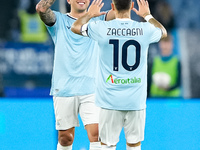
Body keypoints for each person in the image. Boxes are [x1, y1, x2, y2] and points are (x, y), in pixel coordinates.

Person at [71, 0, 167, 149]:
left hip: (109, 100)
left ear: (113, 7)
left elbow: (75, 27)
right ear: (132, 6)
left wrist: (90, 14)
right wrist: (147, 15)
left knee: (107, 145)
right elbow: (163, 32)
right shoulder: (144, 29)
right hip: (135, 100)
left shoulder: (102, 28)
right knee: (134, 145)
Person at [36, 0, 114, 150]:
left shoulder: (99, 19)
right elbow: (41, 8)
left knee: (97, 134)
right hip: (64, 87)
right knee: (65, 138)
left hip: (91, 88)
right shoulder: (58, 20)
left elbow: (120, 10)